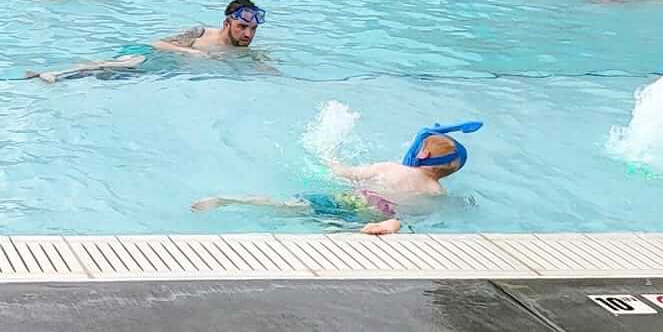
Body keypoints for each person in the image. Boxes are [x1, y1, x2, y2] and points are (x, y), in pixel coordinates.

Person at [193, 121, 481, 229]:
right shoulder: (437, 192)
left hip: (359, 201)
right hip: (386, 214)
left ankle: (227, 200)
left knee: (290, 207)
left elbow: (346, 174)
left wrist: (328, 155)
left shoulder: (391, 169)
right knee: (337, 225)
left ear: (422, 154)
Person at [155, 0, 265, 56]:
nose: (248, 34)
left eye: (253, 28)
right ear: (227, 24)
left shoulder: (249, 54)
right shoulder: (200, 33)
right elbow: (158, 44)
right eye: (242, 27)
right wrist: (191, 52)